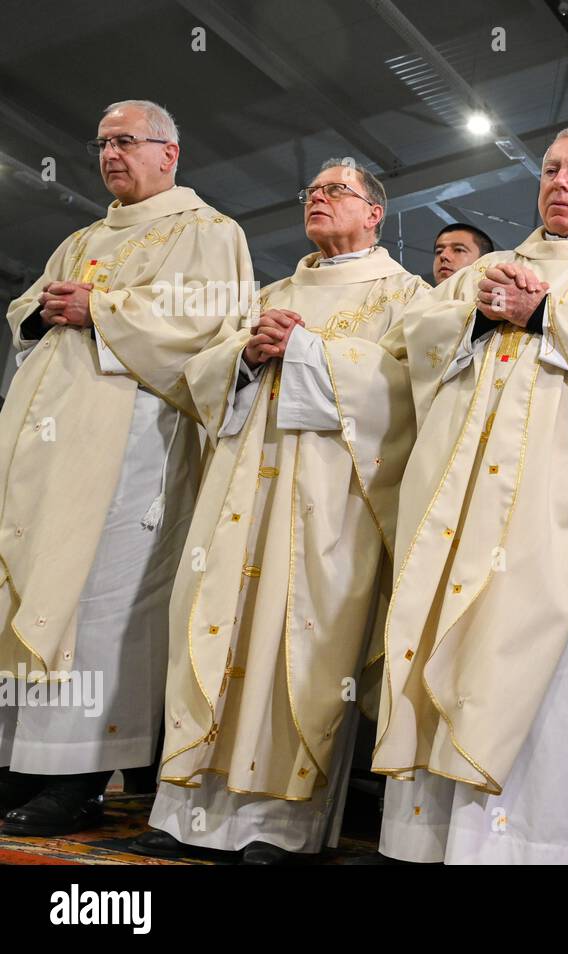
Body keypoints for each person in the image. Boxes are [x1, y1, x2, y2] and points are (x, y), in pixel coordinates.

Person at [373, 127, 568, 863]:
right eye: (550, 170)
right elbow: (412, 341)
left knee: (536, 665)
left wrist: (546, 314)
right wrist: (477, 314)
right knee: (438, 642)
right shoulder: (489, 270)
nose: (560, 183)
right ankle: (421, 844)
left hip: (562, 509)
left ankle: (520, 849)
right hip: (458, 500)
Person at [134, 159, 432, 864]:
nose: (319, 199)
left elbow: (406, 393)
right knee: (214, 629)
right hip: (240, 495)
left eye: (337, 190)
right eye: (313, 191)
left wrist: (308, 353)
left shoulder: (409, 295)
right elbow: (201, 378)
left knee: (301, 646)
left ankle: (279, 824)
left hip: (330, 504)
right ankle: (186, 815)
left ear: (375, 213)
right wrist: (245, 354)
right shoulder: (272, 292)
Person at [0, 99, 253, 835]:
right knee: (31, 587)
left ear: (169, 153)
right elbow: (27, 309)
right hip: (48, 446)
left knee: (100, 603)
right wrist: (46, 309)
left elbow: (211, 329)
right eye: (103, 143)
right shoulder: (82, 238)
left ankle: (78, 775)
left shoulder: (210, 231)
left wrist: (103, 310)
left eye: (127, 142)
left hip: (134, 443)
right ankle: (19, 761)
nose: (111, 154)